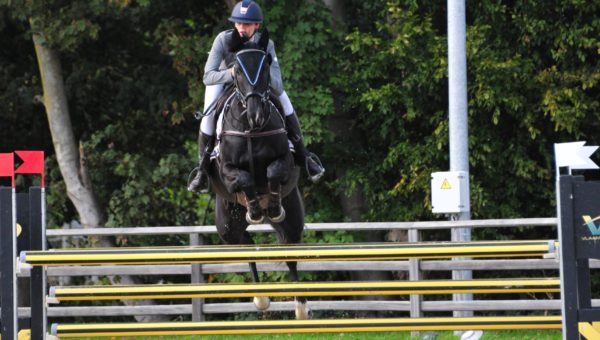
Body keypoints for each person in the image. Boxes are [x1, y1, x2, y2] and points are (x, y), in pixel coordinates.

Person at [188, 0, 325, 192]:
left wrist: (261, 75)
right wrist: (231, 74)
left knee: (285, 102)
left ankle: (305, 157)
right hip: (224, 81)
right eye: (238, 23)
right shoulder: (223, 39)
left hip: (256, 87)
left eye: (246, 24)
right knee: (208, 115)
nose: (241, 28)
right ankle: (202, 170)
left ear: (256, 26)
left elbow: (277, 84)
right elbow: (207, 76)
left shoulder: (266, 44)